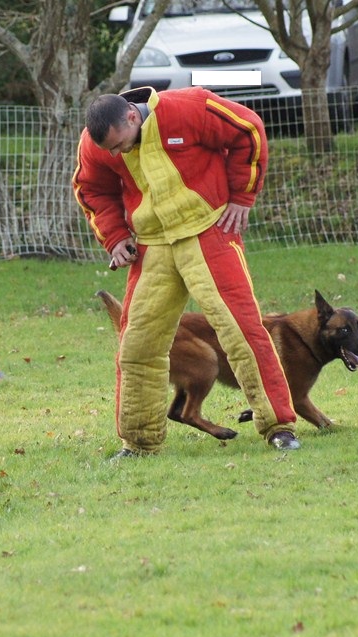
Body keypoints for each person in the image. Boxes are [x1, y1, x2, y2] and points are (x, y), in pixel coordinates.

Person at [72, 86, 300, 458]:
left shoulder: (189, 107)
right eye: (109, 149)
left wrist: (242, 196)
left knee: (241, 330)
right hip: (152, 245)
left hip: (208, 232)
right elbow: (90, 188)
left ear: (132, 116)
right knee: (138, 345)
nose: (115, 153)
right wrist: (114, 238)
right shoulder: (94, 143)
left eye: (119, 144)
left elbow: (249, 129)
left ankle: (279, 426)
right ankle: (138, 442)